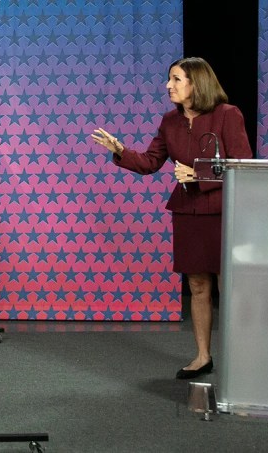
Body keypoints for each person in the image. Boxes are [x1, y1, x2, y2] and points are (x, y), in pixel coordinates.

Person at [90, 57, 252, 380]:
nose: (168, 86)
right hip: (188, 211)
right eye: (169, 79)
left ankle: (240, 361)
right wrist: (120, 149)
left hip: (224, 211)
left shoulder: (227, 115)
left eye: (176, 79)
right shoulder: (170, 121)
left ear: (196, 83)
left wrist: (199, 173)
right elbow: (151, 161)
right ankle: (203, 356)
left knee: (229, 286)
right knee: (197, 284)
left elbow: (243, 165)